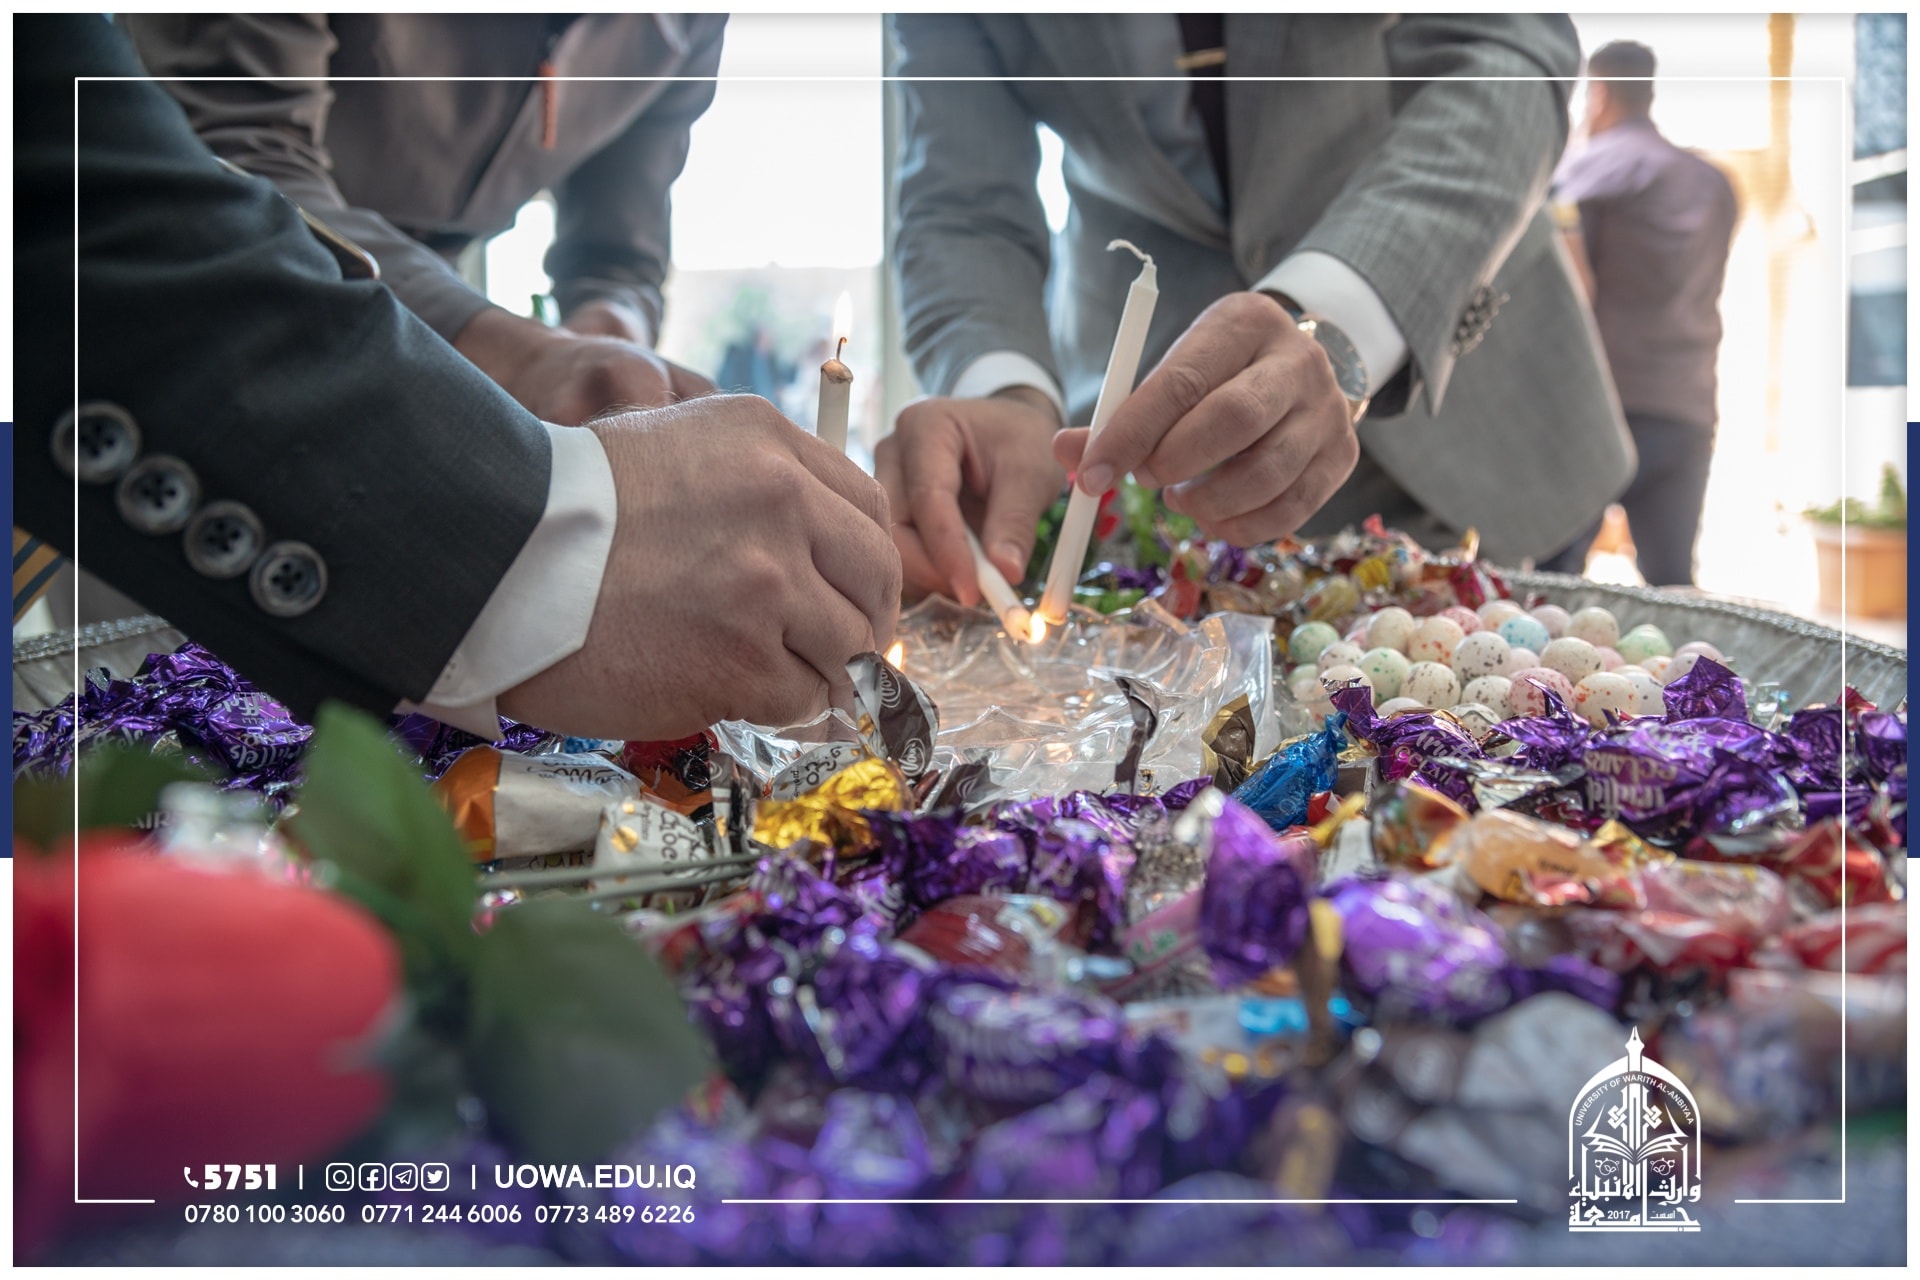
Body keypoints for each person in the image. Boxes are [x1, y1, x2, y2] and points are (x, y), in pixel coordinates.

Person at [19, 14, 900, 742]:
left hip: (452, 382)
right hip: (204, 365)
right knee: (169, 734)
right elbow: (197, 152)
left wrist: (608, 345)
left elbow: (616, 253)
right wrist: (548, 512)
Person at [879, 15, 1634, 606]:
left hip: (1455, 385)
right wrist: (1003, 387)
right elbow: (959, 199)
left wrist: (1335, 318)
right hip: (1160, 447)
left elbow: (1507, 50)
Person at [121, 14, 727, 426]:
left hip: (425, 336)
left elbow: (618, 257)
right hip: (176, 308)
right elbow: (235, 158)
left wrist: (611, 333)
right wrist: (518, 356)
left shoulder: (690, 21)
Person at [1540, 41, 1740, 587]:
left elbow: (1563, 285)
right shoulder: (1715, 184)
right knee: (1674, 585)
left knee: (1552, 585)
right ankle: (1695, 654)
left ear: (1599, 95)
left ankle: (1551, 656)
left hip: (1599, 408)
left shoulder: (1589, 169)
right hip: (1688, 406)